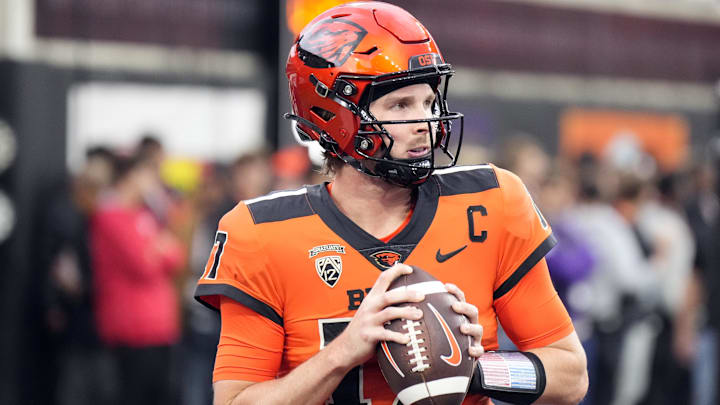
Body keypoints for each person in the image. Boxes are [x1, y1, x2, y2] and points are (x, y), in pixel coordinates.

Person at [195, 3, 588, 404]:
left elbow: (571, 375)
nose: (425, 123)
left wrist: (474, 370)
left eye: (428, 101)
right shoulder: (261, 232)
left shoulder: (491, 201)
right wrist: (342, 353)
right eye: (400, 105)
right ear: (335, 117)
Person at [91, 153, 185, 405]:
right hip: (131, 329)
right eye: (148, 175)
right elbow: (143, 264)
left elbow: (176, 256)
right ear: (130, 177)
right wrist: (158, 250)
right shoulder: (110, 217)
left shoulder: (146, 216)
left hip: (160, 328)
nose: (153, 183)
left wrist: (157, 249)